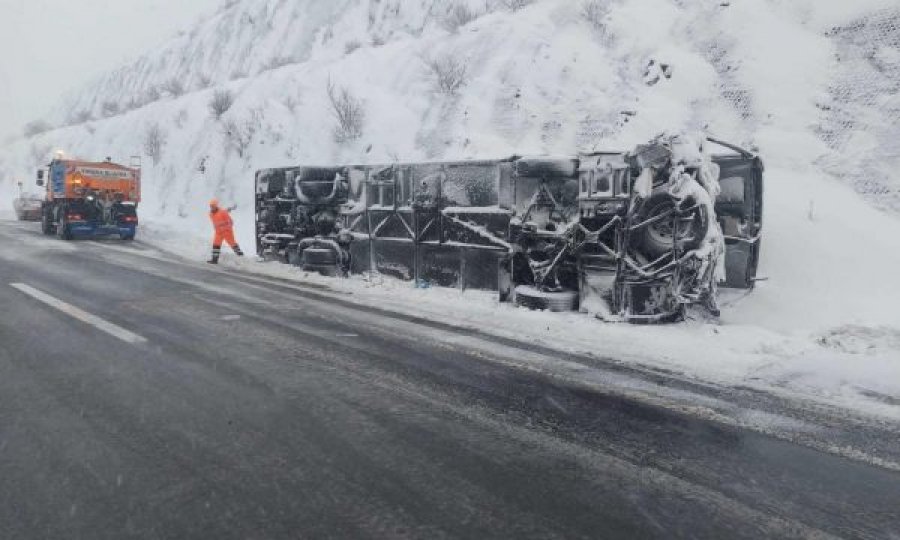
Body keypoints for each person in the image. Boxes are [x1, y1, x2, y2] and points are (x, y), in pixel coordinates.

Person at [207, 198, 243, 264]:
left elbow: (230, 221)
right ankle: (214, 260)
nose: (212, 207)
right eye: (211, 206)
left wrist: (227, 229)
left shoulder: (222, 212)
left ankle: (241, 256)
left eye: (213, 206)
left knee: (232, 244)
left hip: (227, 232)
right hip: (218, 232)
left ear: (216, 206)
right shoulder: (211, 214)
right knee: (216, 245)